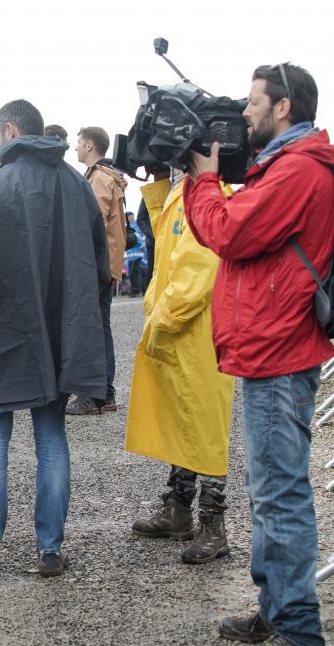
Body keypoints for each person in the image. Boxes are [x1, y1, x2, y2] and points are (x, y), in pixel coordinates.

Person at [185, 63, 334, 646]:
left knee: (280, 494)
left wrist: (200, 180)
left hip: (279, 349)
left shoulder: (298, 171)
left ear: (284, 108)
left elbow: (228, 232)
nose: (243, 113)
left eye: (252, 104)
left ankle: (298, 628)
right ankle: (278, 608)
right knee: (273, 489)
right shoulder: (291, 166)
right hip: (277, 345)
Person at [0, 99, 108, 581]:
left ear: (11, 130)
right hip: (60, 330)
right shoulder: (76, 184)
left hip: (2, 327)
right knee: (51, 435)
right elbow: (97, 262)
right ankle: (50, 551)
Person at [125, 169, 235, 565]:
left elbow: (199, 267)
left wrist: (164, 317)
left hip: (198, 331)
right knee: (183, 419)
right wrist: (158, 189)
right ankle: (179, 508)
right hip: (183, 330)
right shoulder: (184, 191)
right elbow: (168, 249)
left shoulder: (211, 193)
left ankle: (213, 524)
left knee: (205, 426)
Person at [67, 126, 127, 415]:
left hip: (95, 264)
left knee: (95, 328)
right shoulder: (105, 176)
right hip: (104, 263)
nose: (75, 147)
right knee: (100, 325)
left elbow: (93, 221)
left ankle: (99, 393)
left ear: (90, 145)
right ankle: (103, 392)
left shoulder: (99, 178)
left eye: (79, 143)